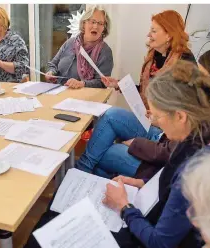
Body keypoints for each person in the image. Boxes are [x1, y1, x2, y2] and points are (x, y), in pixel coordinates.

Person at [0, 61, 210, 248]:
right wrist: (143, 185)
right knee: (58, 208)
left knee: (65, 240)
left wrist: (125, 208)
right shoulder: (206, 138)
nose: (156, 124)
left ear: (180, 116)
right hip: (153, 216)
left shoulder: (195, 173)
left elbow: (160, 245)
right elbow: (169, 187)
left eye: (158, 117)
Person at [75, 10, 196, 178]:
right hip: (148, 121)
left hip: (163, 133)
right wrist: (119, 85)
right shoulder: (155, 56)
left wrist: (155, 120)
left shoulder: (185, 65)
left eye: (154, 30)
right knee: (110, 114)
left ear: (169, 34)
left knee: (103, 151)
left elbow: (184, 110)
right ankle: (86, 175)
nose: (149, 34)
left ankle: (80, 174)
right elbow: (148, 91)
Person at [125, 44, 210, 179]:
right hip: (166, 139)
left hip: (163, 158)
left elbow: (173, 150)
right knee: (114, 117)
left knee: (110, 147)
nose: (197, 81)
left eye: (202, 76)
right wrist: (160, 119)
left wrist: (137, 142)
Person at [45, 5, 113, 89]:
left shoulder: (105, 52)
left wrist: (82, 84)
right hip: (58, 91)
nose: (95, 26)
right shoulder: (70, 42)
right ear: (84, 23)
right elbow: (53, 64)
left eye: (100, 23)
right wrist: (51, 72)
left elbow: (102, 83)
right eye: (93, 22)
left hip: (85, 99)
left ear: (104, 28)